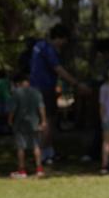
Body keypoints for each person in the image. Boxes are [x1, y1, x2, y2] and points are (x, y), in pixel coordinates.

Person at [28, 24, 89, 164]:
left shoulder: (39, 45)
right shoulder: (49, 50)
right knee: (48, 121)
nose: (64, 45)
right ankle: (42, 155)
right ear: (60, 38)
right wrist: (76, 84)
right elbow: (58, 69)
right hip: (44, 88)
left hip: (36, 87)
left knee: (50, 120)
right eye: (64, 41)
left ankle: (49, 152)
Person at [8, 72, 46, 179]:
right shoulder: (36, 92)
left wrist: (10, 120)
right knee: (36, 146)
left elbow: (13, 109)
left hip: (20, 123)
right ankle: (39, 169)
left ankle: (22, 170)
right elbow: (41, 107)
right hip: (34, 122)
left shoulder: (16, 93)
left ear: (18, 83)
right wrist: (43, 121)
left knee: (21, 147)